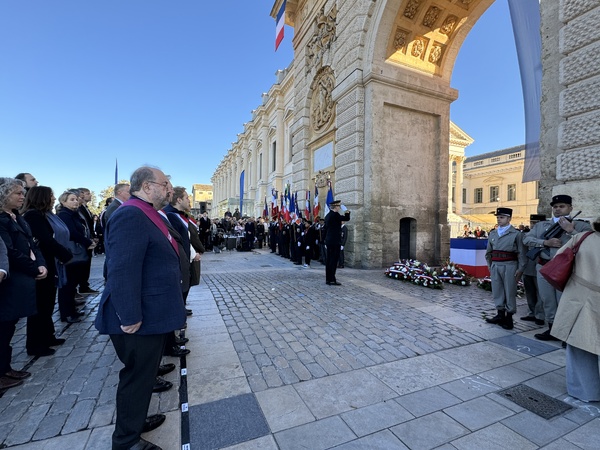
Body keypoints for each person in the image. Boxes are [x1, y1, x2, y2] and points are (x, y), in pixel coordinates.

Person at [95, 166, 186, 450]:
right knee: (137, 377)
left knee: (145, 374)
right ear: (147, 187)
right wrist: (130, 315)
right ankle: (126, 440)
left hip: (152, 312)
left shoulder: (145, 213)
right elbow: (122, 269)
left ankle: (135, 419)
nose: (170, 190)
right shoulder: (131, 215)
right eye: (165, 184)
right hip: (138, 317)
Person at [0, 178, 48, 390]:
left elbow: (32, 244)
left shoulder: (17, 217)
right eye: (18, 193)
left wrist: (41, 263)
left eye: (23, 193)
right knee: (4, 326)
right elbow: (9, 251)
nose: (22, 196)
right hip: (11, 281)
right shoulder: (2, 220)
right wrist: (32, 267)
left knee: (10, 326)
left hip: (25, 277)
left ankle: (5, 367)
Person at [523, 195, 592, 341]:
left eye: (562, 206)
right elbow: (527, 239)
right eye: (555, 207)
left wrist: (570, 231)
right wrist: (545, 242)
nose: (558, 209)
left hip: (567, 270)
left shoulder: (580, 225)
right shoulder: (541, 226)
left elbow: (589, 244)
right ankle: (552, 329)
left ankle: (566, 334)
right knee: (547, 300)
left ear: (570, 208)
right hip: (544, 267)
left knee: (566, 301)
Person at [550, 217, 600, 402]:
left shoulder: (583, 237)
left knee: (581, 347)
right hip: (585, 299)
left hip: (581, 299)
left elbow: (559, 260)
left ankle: (585, 392)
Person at [22, 186, 73, 356]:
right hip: (41, 265)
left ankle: (47, 336)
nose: (53, 198)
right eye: (50, 196)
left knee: (48, 303)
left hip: (48, 263)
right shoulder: (33, 216)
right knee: (41, 305)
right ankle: (36, 344)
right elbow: (45, 240)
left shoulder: (40, 215)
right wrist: (65, 254)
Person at [484, 207, 526, 330]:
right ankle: (500, 314)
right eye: (498, 217)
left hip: (510, 266)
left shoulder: (516, 234)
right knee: (497, 290)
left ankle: (509, 317)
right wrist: (490, 266)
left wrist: (520, 269)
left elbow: (521, 253)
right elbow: (488, 253)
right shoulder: (493, 233)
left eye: (502, 217)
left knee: (509, 291)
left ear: (509, 218)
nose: (499, 219)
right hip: (496, 265)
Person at [57, 191, 95, 323]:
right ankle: (67, 313)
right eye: (72, 199)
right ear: (63, 202)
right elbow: (72, 232)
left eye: (76, 199)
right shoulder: (64, 215)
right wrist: (87, 242)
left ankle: (72, 310)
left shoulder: (74, 214)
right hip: (71, 253)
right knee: (68, 284)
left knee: (73, 284)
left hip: (78, 252)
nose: (75, 202)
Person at [520, 214, 546, 326]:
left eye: (536, 223)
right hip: (527, 267)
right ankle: (532, 312)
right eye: (532, 223)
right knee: (529, 292)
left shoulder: (546, 236)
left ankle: (540, 315)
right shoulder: (526, 235)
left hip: (540, 266)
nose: (533, 225)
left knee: (541, 293)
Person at [323, 200, 351, 285]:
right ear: (336, 207)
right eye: (338, 206)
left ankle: (328, 279)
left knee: (329, 261)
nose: (339, 208)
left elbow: (325, 229)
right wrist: (347, 211)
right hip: (335, 241)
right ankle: (332, 279)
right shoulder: (335, 215)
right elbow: (347, 218)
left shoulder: (328, 215)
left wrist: (325, 240)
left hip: (329, 241)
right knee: (334, 260)